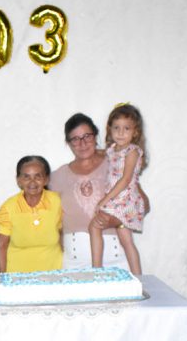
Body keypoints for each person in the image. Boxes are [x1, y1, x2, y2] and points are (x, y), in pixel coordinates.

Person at [50, 112, 147, 269]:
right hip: (74, 264)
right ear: (68, 143)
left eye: (87, 136)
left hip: (117, 262)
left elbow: (143, 204)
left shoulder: (116, 163)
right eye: (75, 139)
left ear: (96, 136)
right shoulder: (58, 176)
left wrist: (118, 220)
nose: (82, 143)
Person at [89, 104, 147, 274]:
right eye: (116, 128)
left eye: (126, 128)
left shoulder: (132, 151)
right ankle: (138, 278)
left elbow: (126, 179)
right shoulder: (113, 150)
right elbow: (100, 154)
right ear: (110, 129)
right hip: (118, 199)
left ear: (135, 132)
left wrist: (104, 200)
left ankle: (97, 272)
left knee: (94, 226)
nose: (121, 133)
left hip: (124, 199)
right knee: (126, 241)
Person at [0, 156, 62, 272]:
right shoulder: (8, 207)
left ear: (46, 179)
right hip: (17, 276)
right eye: (26, 177)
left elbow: (64, 235)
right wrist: (2, 277)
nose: (32, 182)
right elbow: (2, 246)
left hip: (53, 274)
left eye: (38, 176)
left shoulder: (58, 202)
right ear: (19, 180)